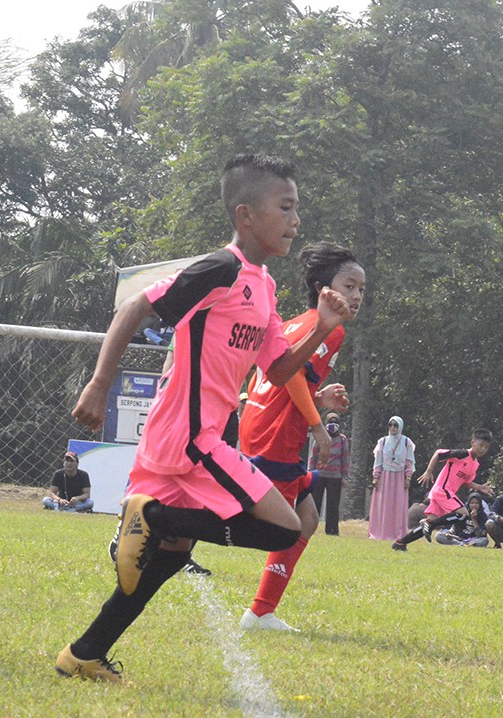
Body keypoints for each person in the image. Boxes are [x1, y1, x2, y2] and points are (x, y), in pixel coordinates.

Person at [55, 154, 354, 683]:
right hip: (189, 436)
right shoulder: (220, 268)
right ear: (245, 216)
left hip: (201, 437)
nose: (295, 221)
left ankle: (85, 651)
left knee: (169, 555)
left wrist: (321, 325)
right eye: (285, 208)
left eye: (297, 209)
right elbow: (135, 307)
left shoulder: (262, 286)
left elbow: (279, 366)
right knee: (285, 528)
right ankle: (152, 518)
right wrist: (100, 383)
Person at [237, 241, 365, 631]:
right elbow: (290, 375)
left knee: (306, 518)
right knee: (276, 524)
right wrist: (316, 427)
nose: (356, 296)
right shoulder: (329, 328)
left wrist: (318, 396)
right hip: (277, 435)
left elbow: (281, 373)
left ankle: (261, 611)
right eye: (348, 286)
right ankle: (168, 529)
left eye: (361, 289)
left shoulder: (297, 322)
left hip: (260, 424)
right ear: (323, 288)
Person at [391, 429, 495, 551]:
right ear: (473, 443)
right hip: (442, 490)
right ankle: (428, 523)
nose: (483, 449)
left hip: (443, 493)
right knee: (463, 515)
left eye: (486, 447)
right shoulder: (462, 454)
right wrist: (428, 472)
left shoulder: (475, 464)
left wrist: (479, 487)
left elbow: (465, 482)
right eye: (481, 445)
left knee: (431, 523)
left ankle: (400, 543)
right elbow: (438, 453)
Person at [369, 416, 415, 541]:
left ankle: (397, 533)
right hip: (385, 476)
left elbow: (409, 462)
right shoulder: (382, 442)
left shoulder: (407, 442)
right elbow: (378, 461)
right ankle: (381, 532)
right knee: (383, 504)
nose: (393, 427)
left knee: (398, 505)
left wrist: (408, 477)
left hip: (399, 477)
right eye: (391, 425)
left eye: (396, 425)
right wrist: (376, 477)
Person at [309, 411, 350, 537]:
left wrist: (345, 476)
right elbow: (313, 455)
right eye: (330, 422)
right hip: (319, 474)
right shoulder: (320, 436)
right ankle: (311, 529)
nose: (333, 424)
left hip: (335, 476)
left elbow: (345, 459)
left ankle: (332, 531)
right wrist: (310, 473)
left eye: (335, 422)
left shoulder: (342, 439)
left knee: (333, 504)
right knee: (315, 503)